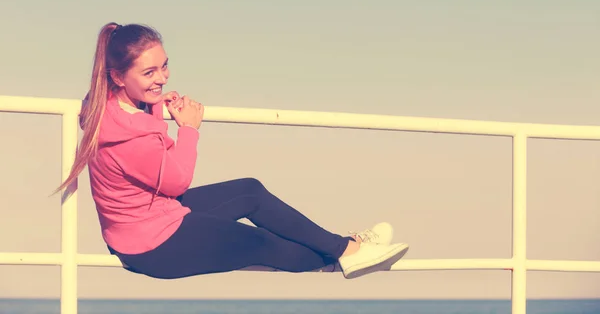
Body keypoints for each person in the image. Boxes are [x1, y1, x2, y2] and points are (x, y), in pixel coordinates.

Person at [54, 22, 409, 280]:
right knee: (258, 242)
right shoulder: (127, 136)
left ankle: (346, 248)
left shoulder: (109, 106)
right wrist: (189, 128)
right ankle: (346, 255)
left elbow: (142, 128)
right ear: (118, 76)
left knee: (249, 191)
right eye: (149, 72)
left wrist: (158, 106)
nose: (161, 77)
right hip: (152, 248)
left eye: (163, 65)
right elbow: (176, 181)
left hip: (148, 224)